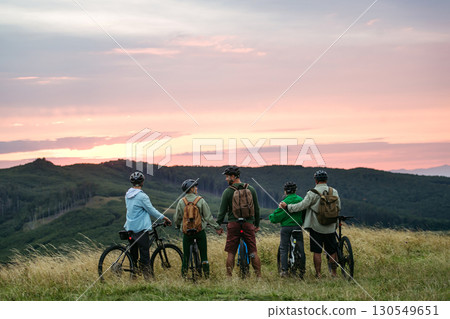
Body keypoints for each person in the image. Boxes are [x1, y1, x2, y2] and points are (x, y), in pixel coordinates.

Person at [279, 170, 341, 278]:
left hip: (316, 226)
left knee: (317, 251)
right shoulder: (334, 191)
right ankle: (334, 274)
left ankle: (318, 274)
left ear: (316, 180)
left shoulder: (312, 193)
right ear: (326, 180)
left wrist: (288, 207)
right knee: (331, 251)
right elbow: (338, 207)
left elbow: (302, 205)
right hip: (330, 226)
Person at [124, 171, 172, 279]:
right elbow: (151, 210)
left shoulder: (127, 195)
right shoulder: (142, 196)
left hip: (130, 228)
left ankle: (134, 276)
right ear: (142, 182)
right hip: (140, 228)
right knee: (145, 253)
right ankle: (148, 278)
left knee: (134, 254)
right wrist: (164, 218)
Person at [216, 166, 262, 277]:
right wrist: (256, 225)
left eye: (227, 177)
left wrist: (218, 226)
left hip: (233, 224)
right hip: (248, 223)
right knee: (253, 252)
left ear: (233, 176)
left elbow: (222, 212)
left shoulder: (227, 192)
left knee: (231, 253)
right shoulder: (250, 189)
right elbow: (257, 209)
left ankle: (229, 277)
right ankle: (258, 277)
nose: (226, 179)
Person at [174, 179, 223, 278]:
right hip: (199, 232)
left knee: (186, 257)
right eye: (195, 187)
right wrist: (217, 227)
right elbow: (208, 217)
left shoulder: (181, 202)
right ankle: (206, 277)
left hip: (187, 233)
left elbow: (177, 218)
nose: (196, 188)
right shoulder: (200, 200)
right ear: (191, 189)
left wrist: (178, 226)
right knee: (204, 255)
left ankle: (183, 277)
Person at [269, 182, 306, 278]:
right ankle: (302, 269)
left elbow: (275, 218)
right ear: (295, 190)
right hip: (298, 227)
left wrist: (271, 217)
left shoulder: (284, 202)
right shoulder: (300, 200)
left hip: (286, 228)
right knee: (301, 247)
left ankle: (284, 271)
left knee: (284, 248)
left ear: (285, 191)